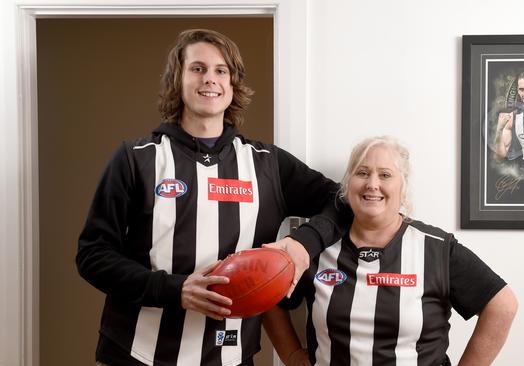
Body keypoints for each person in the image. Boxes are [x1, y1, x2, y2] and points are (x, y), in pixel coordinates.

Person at [76, 29, 349, 366]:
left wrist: (303, 245)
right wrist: (175, 290)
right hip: (136, 353)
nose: (210, 79)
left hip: (229, 356)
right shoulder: (137, 158)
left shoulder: (267, 164)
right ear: (178, 79)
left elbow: (343, 201)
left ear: (233, 85)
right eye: (198, 68)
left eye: (221, 71)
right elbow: (92, 255)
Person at [265, 136, 518, 366]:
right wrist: (292, 356)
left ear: (403, 186)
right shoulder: (318, 248)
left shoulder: (435, 249)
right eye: (362, 173)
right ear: (347, 184)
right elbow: (268, 297)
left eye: (385, 175)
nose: (372, 184)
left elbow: (502, 305)